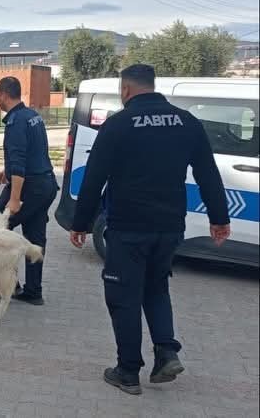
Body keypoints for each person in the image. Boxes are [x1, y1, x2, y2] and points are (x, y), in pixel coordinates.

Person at [70, 64, 230, 396]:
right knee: (156, 288)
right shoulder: (187, 122)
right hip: (170, 227)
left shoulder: (118, 125)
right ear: (152, 86)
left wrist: (81, 223)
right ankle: (166, 352)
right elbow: (208, 174)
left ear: (126, 89)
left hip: (129, 229)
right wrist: (219, 219)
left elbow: (94, 178)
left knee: (123, 297)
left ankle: (127, 371)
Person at [0, 77, 57, 306]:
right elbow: (32, 151)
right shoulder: (32, 116)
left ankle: (8, 288)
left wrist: (14, 199)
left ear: (5, 94)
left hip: (29, 187)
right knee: (35, 236)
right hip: (45, 184)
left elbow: (20, 161)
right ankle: (34, 291)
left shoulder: (16, 122)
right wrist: (7, 170)